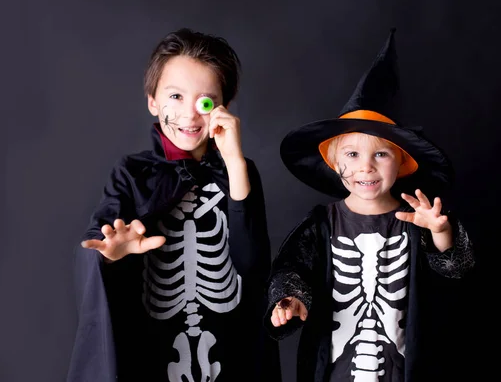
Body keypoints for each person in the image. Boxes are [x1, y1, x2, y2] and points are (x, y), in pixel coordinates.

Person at [67, 27, 280, 382]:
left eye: (206, 101)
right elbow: (99, 239)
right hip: (151, 350)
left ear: (224, 106)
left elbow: (253, 266)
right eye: (176, 96)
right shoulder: (133, 172)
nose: (190, 114)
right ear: (152, 100)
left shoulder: (239, 171)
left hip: (231, 352)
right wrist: (110, 254)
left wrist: (235, 165)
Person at [264, 28, 475, 382]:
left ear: (403, 162)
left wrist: (440, 232)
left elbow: (456, 269)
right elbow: (291, 269)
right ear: (334, 163)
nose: (366, 166)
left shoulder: (417, 219)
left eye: (381, 153)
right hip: (333, 373)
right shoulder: (321, 223)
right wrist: (292, 300)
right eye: (352, 154)